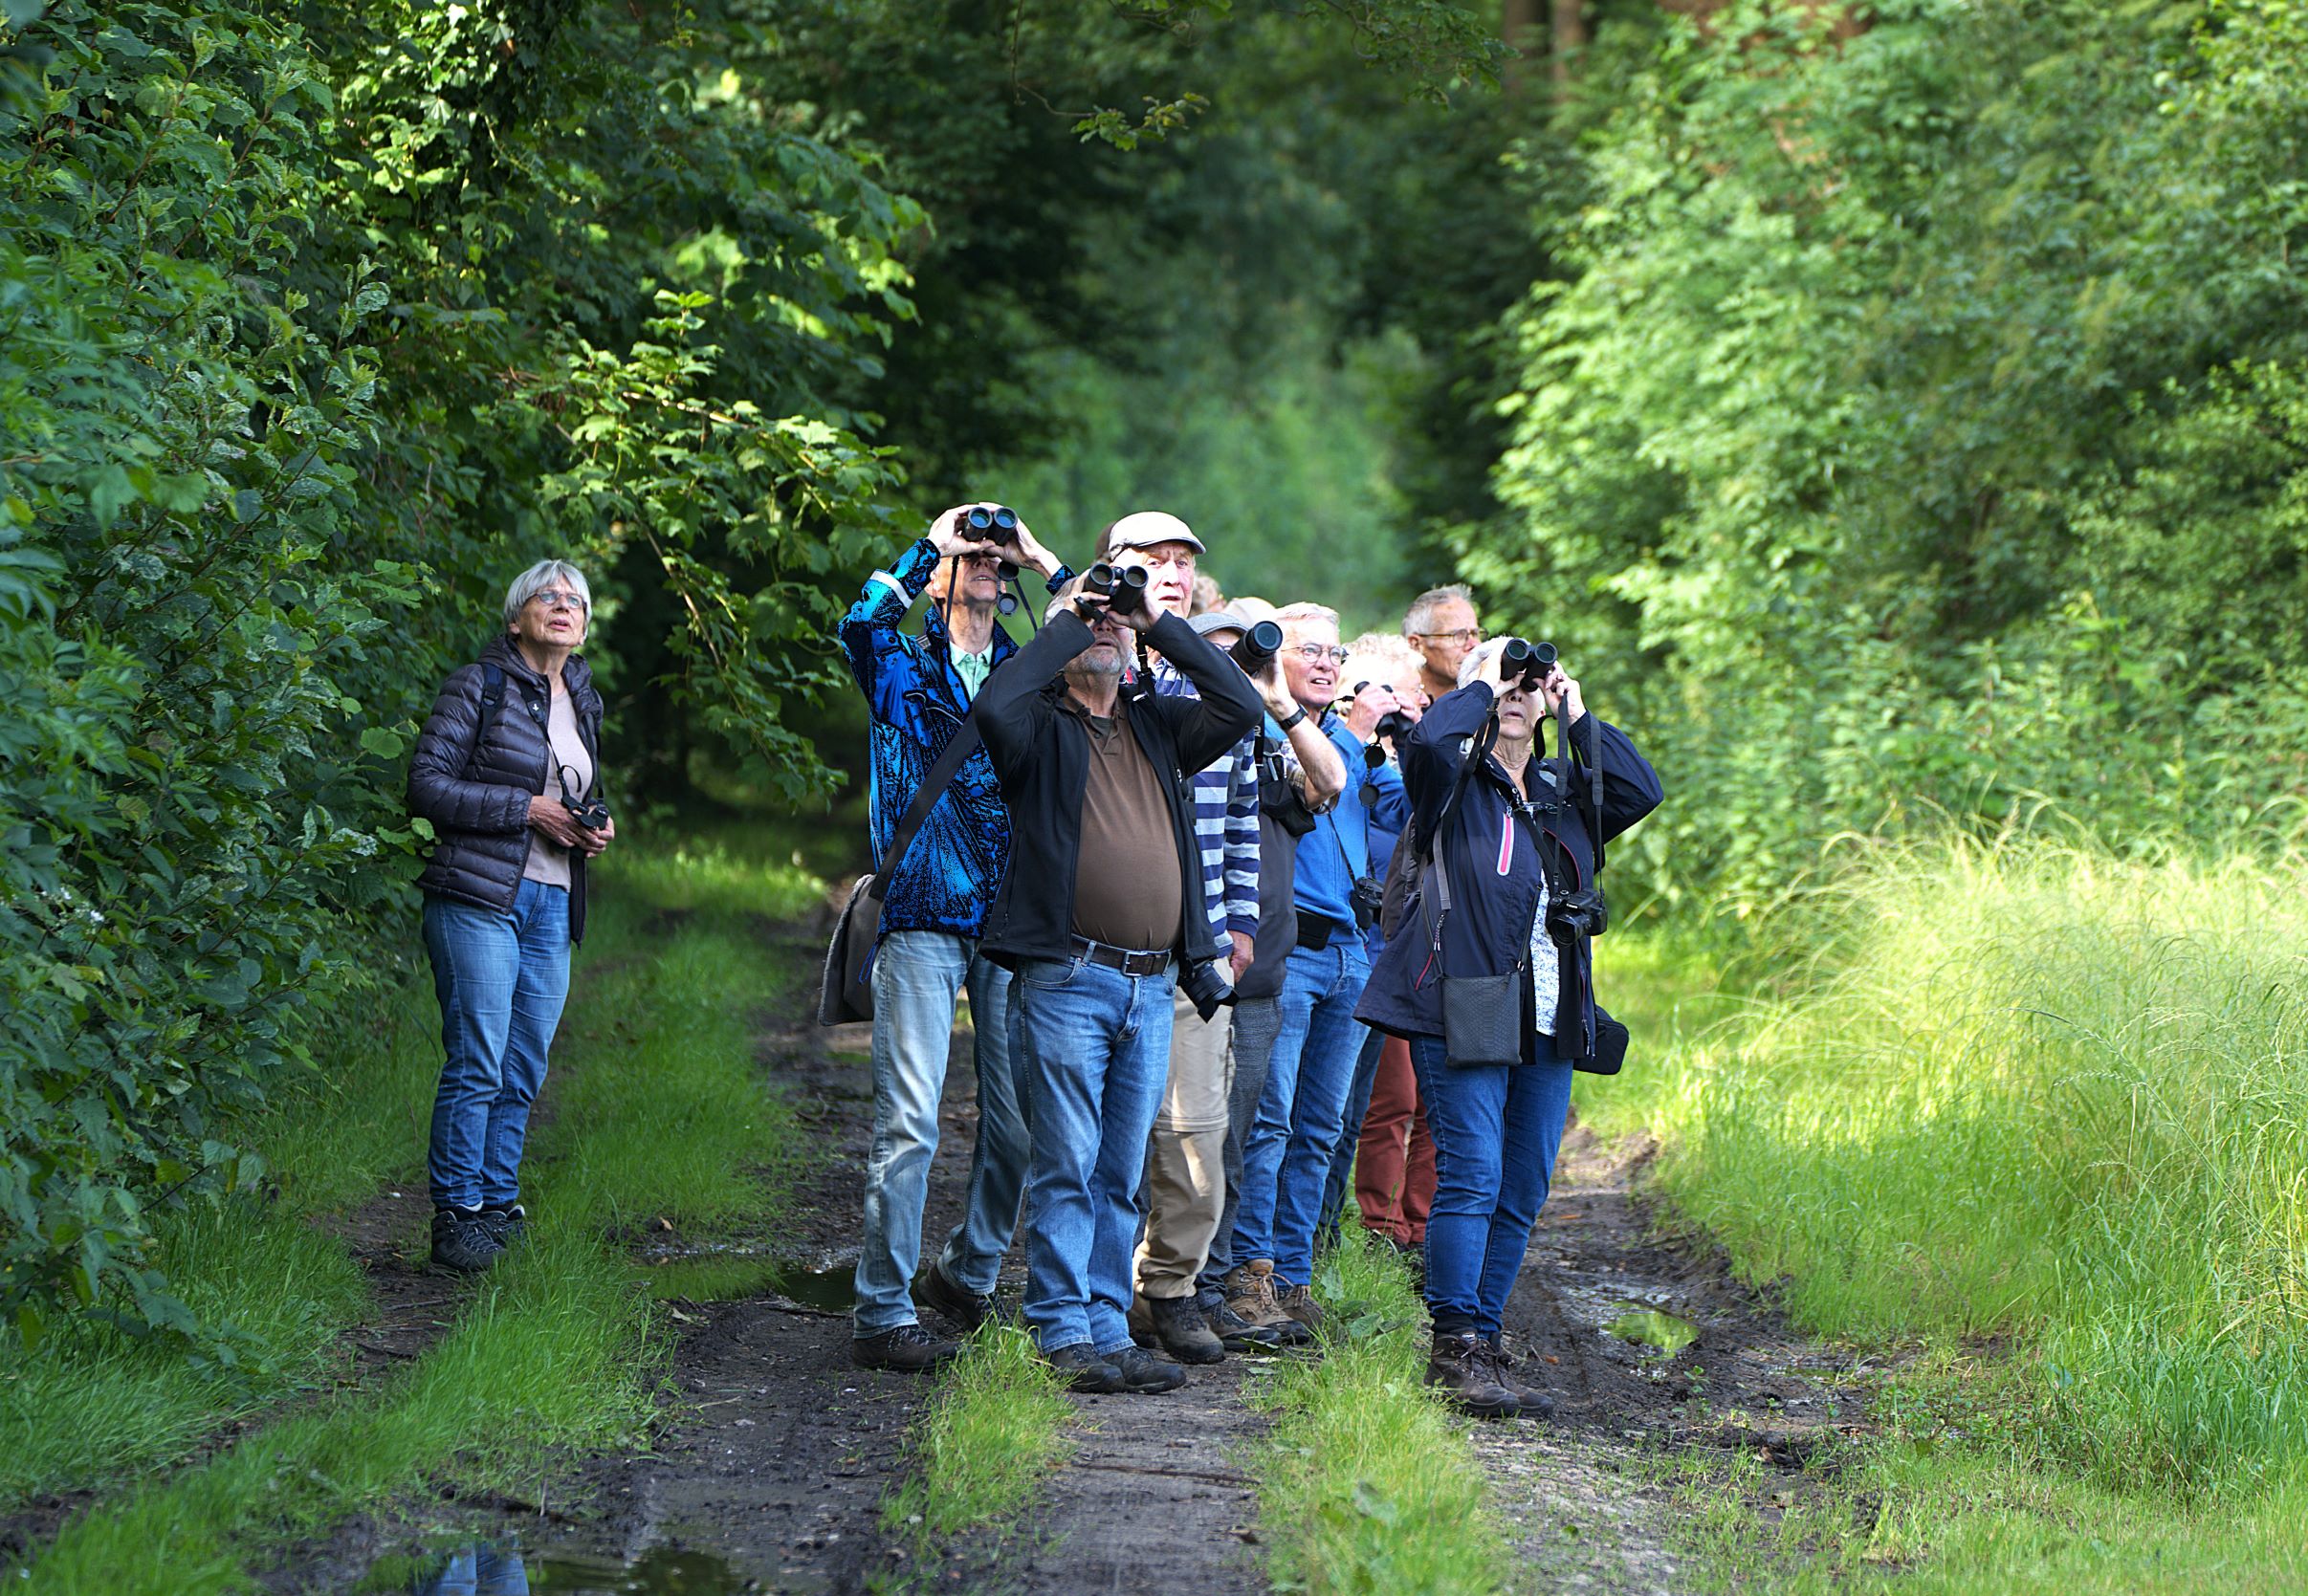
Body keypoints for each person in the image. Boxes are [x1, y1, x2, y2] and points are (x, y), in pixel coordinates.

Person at [975, 566, 1262, 1393]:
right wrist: (1072, 619)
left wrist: (1154, 621)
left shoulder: (1157, 723)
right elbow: (993, 705)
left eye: (1114, 627)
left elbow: (1241, 708)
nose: (1105, 631)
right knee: (1066, 1159)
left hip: (1151, 983)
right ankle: (1061, 1328)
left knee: (1118, 1169)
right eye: (1090, 625)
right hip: (1069, 976)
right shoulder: (1037, 727)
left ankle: (1106, 1323)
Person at [1357, 638, 1661, 1417]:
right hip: (1461, 998)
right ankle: (1453, 1342)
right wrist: (1482, 685)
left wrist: (1575, 705)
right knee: (1474, 1173)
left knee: (1522, 1183)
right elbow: (1425, 739)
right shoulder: (1449, 780)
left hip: (1550, 1012)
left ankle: (1484, 1342)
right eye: (1507, 680)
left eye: (1528, 683)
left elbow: (1638, 788)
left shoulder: (1561, 792)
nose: (1518, 692)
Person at [835, 503, 1070, 1371]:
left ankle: (965, 1276)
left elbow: (1098, 639)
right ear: (937, 577)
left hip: (1010, 921)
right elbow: (857, 619)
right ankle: (882, 1309)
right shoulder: (900, 665)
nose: (984, 566)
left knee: (1015, 1125)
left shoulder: (1028, 672)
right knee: (911, 1123)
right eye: (970, 557)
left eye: (992, 560)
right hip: (924, 913)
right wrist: (927, 543)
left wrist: (1040, 556)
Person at [1093, 518, 1317, 1364]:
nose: (1175, 573)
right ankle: (1096, 1299)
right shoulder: (1096, 652)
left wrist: (1239, 926)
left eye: (1186, 562)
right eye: (1156, 562)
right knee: (1108, 1136)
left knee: (1197, 1133)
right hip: (1107, 939)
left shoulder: (1207, 675)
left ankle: (1172, 1290)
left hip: (1200, 953)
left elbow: (1236, 823)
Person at [407, 559, 614, 1274]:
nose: (563, 606)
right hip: (477, 895)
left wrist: (592, 824)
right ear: (516, 615)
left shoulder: (580, 696)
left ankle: (497, 1205)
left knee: (524, 1061)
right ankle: (456, 1213)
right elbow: (427, 786)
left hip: (552, 900)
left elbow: (578, 787)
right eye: (547, 596)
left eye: (575, 600)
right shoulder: (479, 685)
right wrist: (527, 810)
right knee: (479, 1057)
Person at [1222, 603, 1409, 1343]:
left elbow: (1411, 801)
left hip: (1348, 953)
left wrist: (1395, 732)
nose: (1328, 664)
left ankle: (1294, 1278)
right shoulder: (1261, 731)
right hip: (1290, 949)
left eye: (1337, 652)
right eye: (1312, 650)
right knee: (1268, 1121)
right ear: (1275, 657)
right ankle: (1248, 1274)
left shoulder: (1349, 746)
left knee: (1321, 1125)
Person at [1317, 634, 1435, 1262]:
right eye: (1383, 690)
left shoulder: (1396, 768)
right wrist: (1361, 735)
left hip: (1397, 953)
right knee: (1344, 1109)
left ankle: (1337, 1239)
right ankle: (1361, 1224)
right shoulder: (1335, 750)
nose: (1395, 703)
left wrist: (1413, 739)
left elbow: (1421, 805)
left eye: (1404, 692)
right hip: (1345, 952)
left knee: (1382, 1102)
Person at [1403, 583, 1484, 707]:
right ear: (1416, 645)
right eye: (1458, 635)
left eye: (1475, 633)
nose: (1474, 645)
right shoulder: (1390, 708)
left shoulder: (1491, 706)